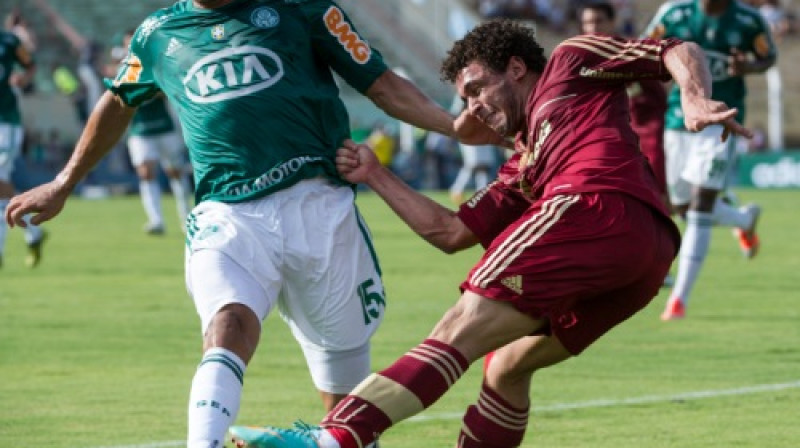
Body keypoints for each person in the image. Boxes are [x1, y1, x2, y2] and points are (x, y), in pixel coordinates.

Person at [228, 19, 752, 448]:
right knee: (505, 368)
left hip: (593, 205)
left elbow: (674, 48)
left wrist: (694, 96)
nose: (473, 106)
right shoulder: (523, 163)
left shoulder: (569, 60)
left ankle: (331, 439)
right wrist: (375, 175)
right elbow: (450, 231)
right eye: (464, 98)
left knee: (458, 328)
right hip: (645, 252)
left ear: (518, 68)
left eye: (477, 88)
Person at [4, 1, 496, 447]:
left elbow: (382, 85)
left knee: (343, 402)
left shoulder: (305, 9)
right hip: (228, 214)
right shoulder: (157, 33)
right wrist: (64, 182)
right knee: (228, 325)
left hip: (321, 209)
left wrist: (453, 127)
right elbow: (117, 100)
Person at [643, 0, 778, 320]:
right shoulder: (673, 14)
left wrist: (749, 66)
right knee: (683, 208)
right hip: (679, 121)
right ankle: (743, 220)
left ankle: (679, 299)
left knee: (701, 207)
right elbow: (645, 47)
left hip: (722, 123)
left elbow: (768, 56)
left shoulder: (748, 20)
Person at [579, 1, 670, 209]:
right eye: (587, 23)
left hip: (649, 131)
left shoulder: (632, 52)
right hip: (611, 135)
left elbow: (660, 84)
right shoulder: (579, 59)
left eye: (598, 21)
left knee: (662, 201)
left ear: (612, 22)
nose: (593, 28)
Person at [117, 30, 192, 235]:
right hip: (139, 129)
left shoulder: (157, 63)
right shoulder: (123, 68)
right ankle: (156, 220)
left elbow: (168, 90)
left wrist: (149, 89)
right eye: (127, 43)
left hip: (164, 126)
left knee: (174, 172)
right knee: (145, 172)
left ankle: (186, 216)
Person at [0, 28, 47, 268]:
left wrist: (23, 78)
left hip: (5, 121)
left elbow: (30, 64)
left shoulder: (8, 41)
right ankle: (35, 233)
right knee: (2, 188)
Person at [448, 96, 498, 204]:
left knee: (484, 166)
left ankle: (481, 192)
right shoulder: (462, 95)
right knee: (473, 164)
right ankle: (457, 190)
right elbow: (455, 115)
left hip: (484, 130)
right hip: (469, 131)